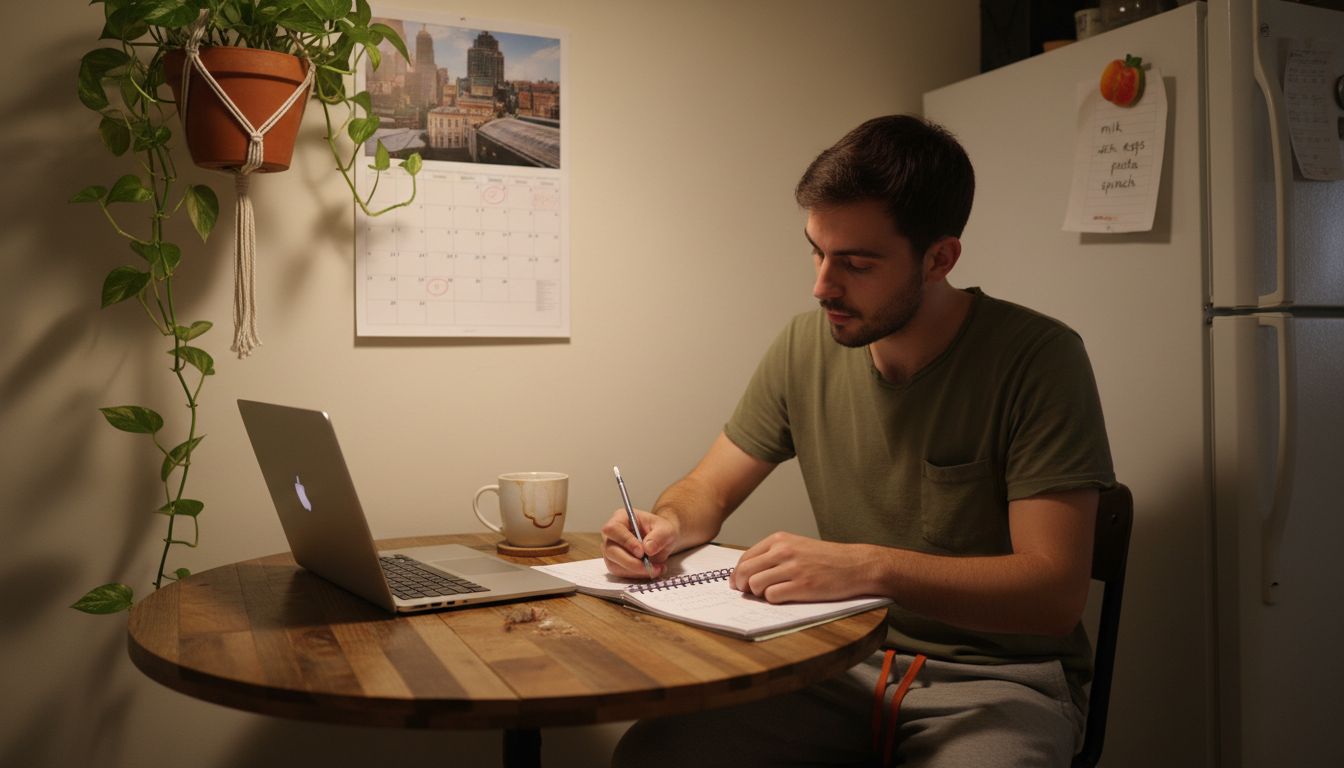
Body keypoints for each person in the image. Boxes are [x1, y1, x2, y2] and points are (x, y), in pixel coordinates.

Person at [603, 115, 1115, 768]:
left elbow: (1054, 596)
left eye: (856, 263)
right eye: (817, 252)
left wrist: (871, 568)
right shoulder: (802, 346)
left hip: (999, 683)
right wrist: (668, 524)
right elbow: (709, 488)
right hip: (835, 664)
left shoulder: (1039, 358)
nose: (822, 286)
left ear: (940, 259)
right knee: (653, 755)